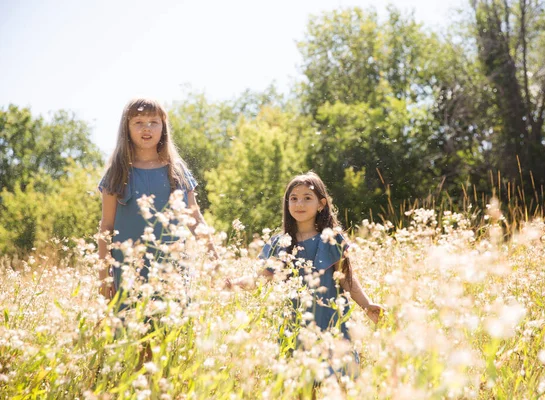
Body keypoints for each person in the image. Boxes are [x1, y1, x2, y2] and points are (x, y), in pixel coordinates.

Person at [228, 171, 384, 377]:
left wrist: (367, 304)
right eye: (293, 198)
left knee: (339, 379)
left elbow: (346, 278)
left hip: (329, 319)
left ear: (321, 204)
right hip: (295, 322)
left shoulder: (331, 239)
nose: (299, 204)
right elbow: (261, 278)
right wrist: (236, 283)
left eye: (307, 198)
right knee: (301, 382)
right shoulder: (279, 243)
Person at [97, 97, 213, 301]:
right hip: (129, 272)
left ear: (163, 127)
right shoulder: (117, 172)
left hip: (173, 271)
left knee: (173, 329)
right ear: (127, 128)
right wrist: (104, 277)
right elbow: (106, 227)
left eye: (153, 122)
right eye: (138, 122)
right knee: (129, 328)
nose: (146, 128)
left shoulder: (176, 170)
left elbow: (195, 219)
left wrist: (215, 260)